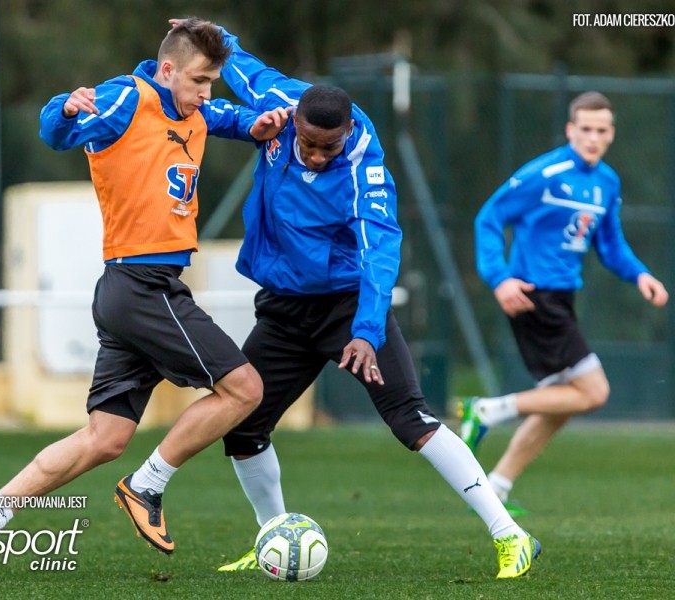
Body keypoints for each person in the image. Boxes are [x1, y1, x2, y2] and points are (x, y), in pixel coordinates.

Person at [0, 18, 292, 582]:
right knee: (245, 389)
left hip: (131, 291)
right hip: (142, 287)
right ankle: (146, 486)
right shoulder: (127, 99)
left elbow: (232, 120)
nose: (207, 92)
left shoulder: (195, 110)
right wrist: (64, 108)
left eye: (212, 82)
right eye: (200, 80)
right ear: (167, 70)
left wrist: (261, 123)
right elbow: (55, 131)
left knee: (104, 438)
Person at [195, 22, 540, 580]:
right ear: (296, 120)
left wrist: (365, 331)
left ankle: (511, 535)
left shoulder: (365, 173)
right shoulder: (283, 102)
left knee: (412, 419)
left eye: (327, 147)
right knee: (242, 427)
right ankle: (272, 536)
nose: (314, 155)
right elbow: (243, 69)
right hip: (284, 308)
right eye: (307, 143)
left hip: (344, 308)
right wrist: (214, 35)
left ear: (348, 132)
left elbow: (380, 254)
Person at [459, 91, 669, 514]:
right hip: (534, 296)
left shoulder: (607, 182)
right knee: (594, 392)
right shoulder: (545, 173)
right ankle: (486, 410)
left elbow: (610, 244)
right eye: (585, 129)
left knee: (561, 403)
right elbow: (488, 217)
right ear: (570, 130)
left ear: (611, 133)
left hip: (562, 297)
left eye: (601, 130)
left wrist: (640, 274)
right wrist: (500, 279)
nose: (593, 137)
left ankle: (496, 488)